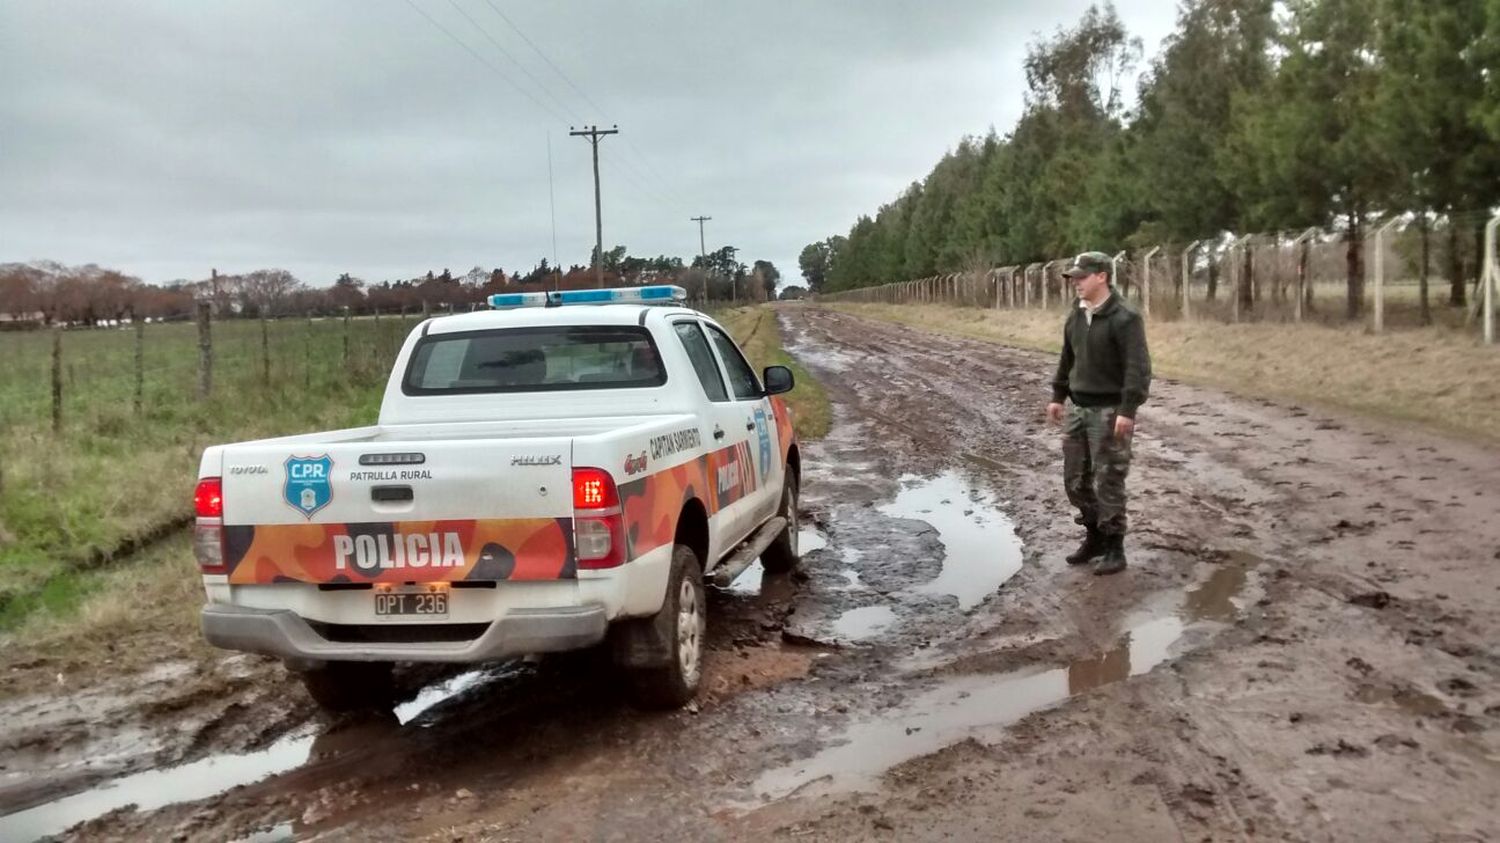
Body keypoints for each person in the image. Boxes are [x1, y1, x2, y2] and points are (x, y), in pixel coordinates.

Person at [1045, 251, 1152, 575]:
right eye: (1074, 278)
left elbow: (1138, 368)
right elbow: (1068, 357)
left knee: (1109, 480)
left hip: (1109, 411)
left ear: (1102, 276)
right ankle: (1093, 537)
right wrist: (1058, 395)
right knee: (1075, 481)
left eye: (1082, 276)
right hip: (1078, 409)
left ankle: (1114, 547)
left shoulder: (1125, 317)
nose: (1076, 283)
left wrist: (1127, 409)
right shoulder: (1076, 315)